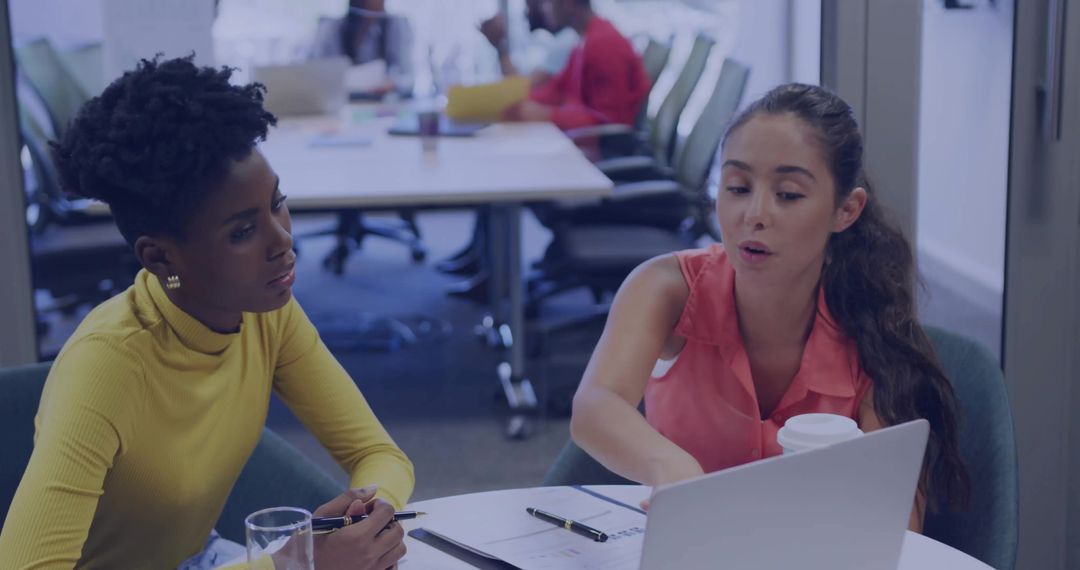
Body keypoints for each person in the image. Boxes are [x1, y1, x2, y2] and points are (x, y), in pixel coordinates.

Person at [0, 56, 414, 569]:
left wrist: (369, 516)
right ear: (160, 257)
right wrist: (295, 564)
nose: (283, 240)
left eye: (277, 202)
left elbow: (381, 456)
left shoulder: (267, 313)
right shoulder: (106, 368)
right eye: (242, 231)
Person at [569, 83, 969, 533]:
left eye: (789, 195)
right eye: (737, 187)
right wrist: (669, 466)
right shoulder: (667, 287)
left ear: (846, 210)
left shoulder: (874, 325)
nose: (754, 214)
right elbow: (594, 406)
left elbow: (897, 530)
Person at [502, 0, 649, 133]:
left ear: (568, 3)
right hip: (586, 143)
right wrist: (512, 103)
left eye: (548, 2)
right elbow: (556, 91)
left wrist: (547, 115)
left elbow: (612, 123)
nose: (545, 8)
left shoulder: (604, 44)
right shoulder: (583, 41)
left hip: (606, 151)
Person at [311, 0, 414, 97]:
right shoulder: (333, 29)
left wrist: (394, 84)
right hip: (342, 104)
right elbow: (319, 73)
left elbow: (408, 77)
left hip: (382, 105)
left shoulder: (394, 26)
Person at [479, 0, 578, 86]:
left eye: (549, 2)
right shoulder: (542, 38)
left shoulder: (568, 40)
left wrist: (499, 45)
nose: (546, 8)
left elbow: (523, 87)